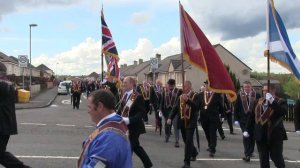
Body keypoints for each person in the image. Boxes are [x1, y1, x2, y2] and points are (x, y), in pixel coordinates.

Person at [78, 89, 131, 168]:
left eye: (89, 107)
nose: (88, 111)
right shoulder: (115, 122)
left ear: (100, 106)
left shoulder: (110, 136)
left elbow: (96, 166)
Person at [244, 84, 287, 168]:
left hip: (275, 134)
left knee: (276, 157)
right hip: (260, 134)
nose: (264, 92)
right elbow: (252, 117)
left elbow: (282, 112)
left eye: (267, 90)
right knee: (263, 159)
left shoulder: (281, 101)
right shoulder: (258, 101)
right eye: (263, 90)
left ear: (273, 91)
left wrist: (271, 101)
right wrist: (247, 129)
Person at [117, 76, 153, 168]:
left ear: (132, 84)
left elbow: (142, 113)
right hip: (125, 126)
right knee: (136, 147)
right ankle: (148, 164)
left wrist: (130, 120)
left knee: (128, 148)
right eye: (123, 82)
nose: (123, 84)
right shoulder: (124, 94)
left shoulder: (138, 96)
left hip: (134, 127)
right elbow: (121, 109)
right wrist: (115, 117)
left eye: (125, 82)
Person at [0, 62, 31, 168]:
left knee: (0, 154)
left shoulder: (3, 86)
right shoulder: (7, 84)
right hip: (5, 125)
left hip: (2, 126)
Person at [167, 81, 200, 168]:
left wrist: (188, 100)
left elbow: (197, 106)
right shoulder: (181, 96)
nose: (183, 88)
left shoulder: (195, 95)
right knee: (186, 140)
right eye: (183, 86)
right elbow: (175, 108)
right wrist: (170, 118)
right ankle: (194, 152)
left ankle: (187, 162)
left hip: (191, 122)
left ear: (189, 87)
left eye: (184, 86)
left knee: (189, 140)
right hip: (182, 122)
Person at [234, 81, 260, 162]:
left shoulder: (257, 95)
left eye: (248, 87)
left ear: (251, 87)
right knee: (246, 136)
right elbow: (236, 108)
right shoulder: (239, 96)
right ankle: (247, 154)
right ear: (243, 87)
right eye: (245, 87)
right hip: (243, 120)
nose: (247, 88)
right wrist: (235, 119)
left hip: (253, 120)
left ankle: (250, 151)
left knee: (252, 137)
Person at [199, 80, 224, 157]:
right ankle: (210, 144)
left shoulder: (217, 95)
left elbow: (221, 106)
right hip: (204, 118)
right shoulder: (200, 95)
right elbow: (197, 105)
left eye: (208, 85)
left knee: (212, 133)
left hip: (214, 118)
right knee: (207, 133)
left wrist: (222, 116)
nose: (206, 87)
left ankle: (212, 149)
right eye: (205, 85)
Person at [161, 79, 182, 147]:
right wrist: (160, 109)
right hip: (166, 111)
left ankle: (177, 140)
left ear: (174, 85)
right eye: (169, 85)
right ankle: (167, 136)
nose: (170, 86)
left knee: (175, 126)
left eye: (171, 85)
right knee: (167, 125)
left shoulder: (179, 91)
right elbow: (162, 101)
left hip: (175, 111)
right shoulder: (165, 91)